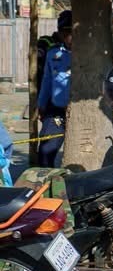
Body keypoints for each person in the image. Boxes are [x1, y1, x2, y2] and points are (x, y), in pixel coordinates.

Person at [32, 13, 72, 168]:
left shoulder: (87, 54)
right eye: (65, 32)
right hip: (57, 112)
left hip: (79, 111)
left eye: (71, 31)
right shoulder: (53, 53)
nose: (69, 36)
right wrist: (41, 105)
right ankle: (47, 182)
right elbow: (47, 81)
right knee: (45, 153)